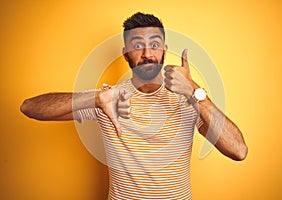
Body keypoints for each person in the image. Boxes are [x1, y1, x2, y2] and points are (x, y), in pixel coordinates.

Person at [20, 12, 247, 200]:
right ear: (126, 54)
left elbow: (238, 151)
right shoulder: (107, 98)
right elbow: (29, 108)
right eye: (137, 45)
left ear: (164, 50)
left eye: (154, 45)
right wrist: (95, 99)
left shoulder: (189, 100)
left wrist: (194, 91)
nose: (147, 54)